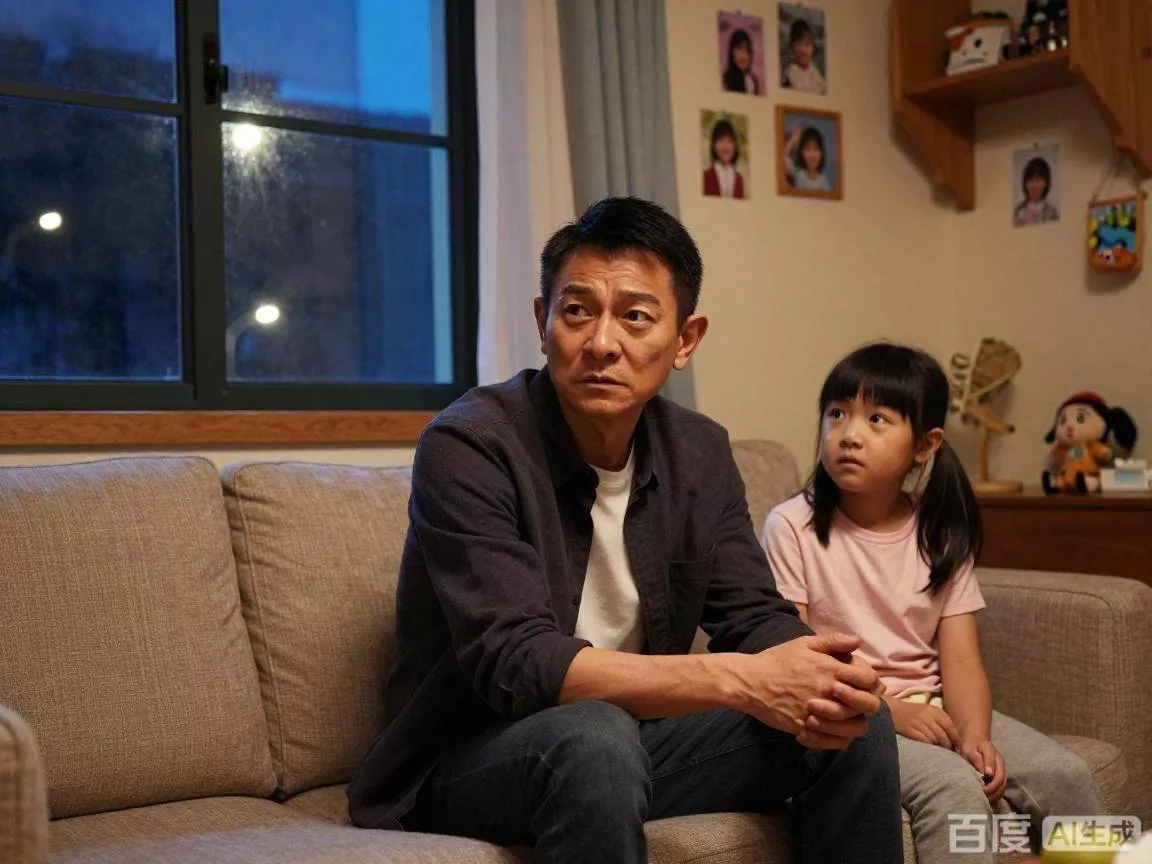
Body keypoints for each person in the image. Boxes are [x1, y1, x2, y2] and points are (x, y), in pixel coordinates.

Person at [348, 197, 904, 863]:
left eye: (636, 316)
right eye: (577, 311)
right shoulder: (470, 445)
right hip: (469, 758)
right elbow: (518, 662)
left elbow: (752, 614)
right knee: (594, 736)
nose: (602, 343)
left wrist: (822, 675)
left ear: (685, 340)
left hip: (624, 747)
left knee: (848, 723)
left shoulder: (699, 451)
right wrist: (742, 679)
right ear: (542, 321)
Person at [760, 343, 1105, 864]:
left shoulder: (939, 531)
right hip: (855, 719)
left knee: (1065, 774)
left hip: (937, 703)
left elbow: (961, 660)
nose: (849, 434)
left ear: (925, 444)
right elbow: (796, 655)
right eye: (836, 414)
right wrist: (891, 711)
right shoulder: (791, 526)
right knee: (953, 786)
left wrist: (975, 735)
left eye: (877, 419)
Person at [703, 119, 746, 199]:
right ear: (714, 145)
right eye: (721, 140)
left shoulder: (739, 179)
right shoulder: (706, 176)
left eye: (730, 141)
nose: (725, 146)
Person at [783, 19, 826, 94]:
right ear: (792, 47)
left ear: (813, 47)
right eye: (798, 44)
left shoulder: (816, 73)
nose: (803, 49)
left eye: (807, 44)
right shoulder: (789, 75)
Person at [784, 125, 832, 192]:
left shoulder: (824, 183)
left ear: (821, 152)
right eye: (807, 148)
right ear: (802, 153)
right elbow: (783, 156)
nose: (812, 154)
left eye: (816, 149)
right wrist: (793, 139)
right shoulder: (798, 175)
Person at [1013, 157, 1059, 226]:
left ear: (1046, 183)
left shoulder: (1052, 213)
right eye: (1031, 180)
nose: (1034, 185)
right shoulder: (1018, 211)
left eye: (1038, 180)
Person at [722, 28, 760, 94]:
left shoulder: (753, 80)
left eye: (747, 49)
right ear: (732, 52)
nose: (743, 54)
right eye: (739, 48)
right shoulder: (726, 80)